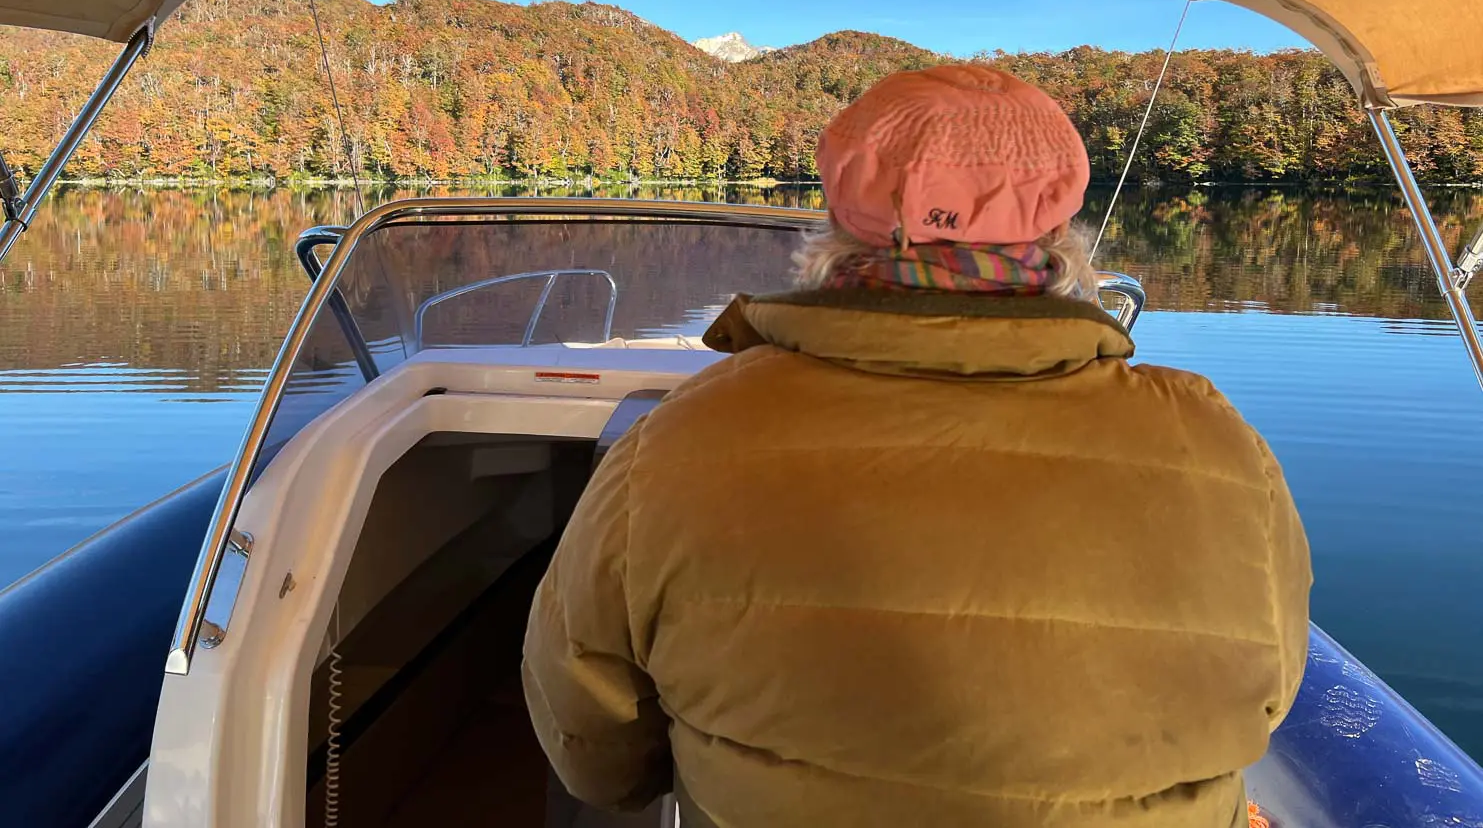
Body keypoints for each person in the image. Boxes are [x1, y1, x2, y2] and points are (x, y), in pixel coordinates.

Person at [523, 64, 1312, 828]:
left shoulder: (682, 437)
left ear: (837, 224)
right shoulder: (1216, 443)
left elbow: (592, 749)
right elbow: (1269, 694)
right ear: (1058, 230)